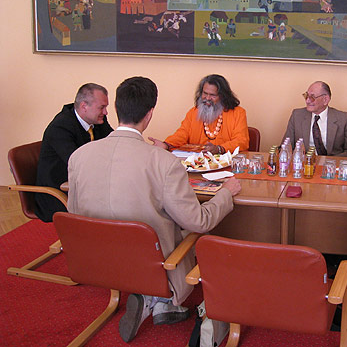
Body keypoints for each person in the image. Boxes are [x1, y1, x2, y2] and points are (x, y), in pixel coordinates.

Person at [67, 77, 241, 343]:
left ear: (116, 108)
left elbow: (74, 214)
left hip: (95, 260)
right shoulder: (164, 163)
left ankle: (156, 302)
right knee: (193, 233)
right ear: (149, 114)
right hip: (153, 263)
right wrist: (226, 193)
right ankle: (160, 298)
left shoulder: (79, 156)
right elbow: (199, 222)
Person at [35, 83, 112, 222]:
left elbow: (114, 142)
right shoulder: (61, 127)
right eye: (102, 107)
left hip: (83, 186)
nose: (106, 112)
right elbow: (78, 163)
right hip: (59, 193)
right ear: (84, 106)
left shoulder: (98, 120)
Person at [151, 75, 249, 154]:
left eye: (212, 95)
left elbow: (242, 141)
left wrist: (220, 149)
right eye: (205, 93)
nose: (207, 98)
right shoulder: (193, 112)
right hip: (198, 165)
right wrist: (166, 144)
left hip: (226, 164)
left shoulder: (238, 113)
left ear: (223, 96)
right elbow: (181, 134)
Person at [282, 81, 347, 157]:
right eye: (306, 96)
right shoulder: (297, 116)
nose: (307, 101)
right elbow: (285, 147)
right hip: (305, 162)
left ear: (325, 100)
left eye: (312, 97)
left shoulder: (343, 119)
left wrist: (329, 161)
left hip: (332, 163)